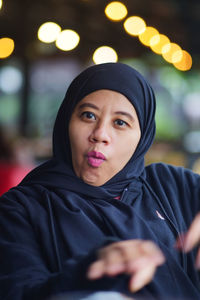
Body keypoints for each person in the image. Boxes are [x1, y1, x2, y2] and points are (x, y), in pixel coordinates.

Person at [0, 62, 200, 300]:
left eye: (120, 122)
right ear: (66, 120)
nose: (100, 134)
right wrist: (85, 274)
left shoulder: (172, 186)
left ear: (143, 136)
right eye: (88, 115)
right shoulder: (21, 209)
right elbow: (17, 291)